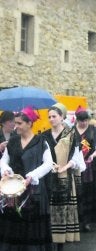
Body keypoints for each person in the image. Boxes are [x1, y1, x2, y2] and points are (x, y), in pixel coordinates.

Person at [0, 106, 54, 250]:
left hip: (34, 190)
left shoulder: (41, 142)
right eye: (15, 123)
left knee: (32, 225)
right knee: (13, 223)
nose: (15, 126)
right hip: (14, 189)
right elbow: (4, 160)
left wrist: (32, 176)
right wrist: (6, 170)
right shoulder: (12, 141)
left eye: (19, 123)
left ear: (29, 123)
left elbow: (48, 164)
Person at [42, 103, 86, 251]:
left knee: (62, 210)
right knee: (49, 208)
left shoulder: (71, 135)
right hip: (49, 177)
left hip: (65, 176)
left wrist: (65, 167)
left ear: (62, 117)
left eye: (54, 116)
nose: (51, 119)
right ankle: (49, 240)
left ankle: (60, 244)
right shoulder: (44, 135)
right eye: (49, 117)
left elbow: (76, 157)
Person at [74, 106, 96, 232]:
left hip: (90, 167)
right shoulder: (71, 131)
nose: (83, 123)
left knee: (88, 192)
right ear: (77, 120)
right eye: (81, 121)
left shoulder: (95, 131)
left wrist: (93, 155)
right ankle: (76, 219)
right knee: (76, 193)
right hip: (75, 166)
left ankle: (86, 220)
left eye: (85, 120)